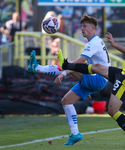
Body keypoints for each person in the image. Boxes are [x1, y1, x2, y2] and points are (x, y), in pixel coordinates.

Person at [60, 16, 125, 148]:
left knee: (112, 110)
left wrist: (114, 45)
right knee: (97, 67)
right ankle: (66, 65)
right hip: (124, 73)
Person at [27, 15, 111, 145]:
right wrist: (87, 85)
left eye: (85, 26)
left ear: (93, 28)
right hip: (95, 79)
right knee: (66, 101)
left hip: (98, 79)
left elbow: (79, 63)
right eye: (81, 26)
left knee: (68, 65)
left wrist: (63, 74)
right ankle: (75, 134)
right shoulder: (94, 41)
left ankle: (37, 68)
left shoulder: (93, 43)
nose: (82, 29)